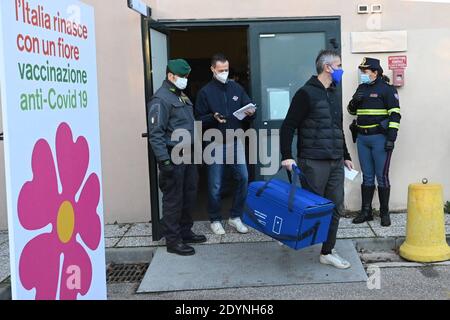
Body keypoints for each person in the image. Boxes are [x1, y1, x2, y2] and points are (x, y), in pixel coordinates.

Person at [280, 50, 354, 269]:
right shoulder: (306, 93)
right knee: (310, 207)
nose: (341, 69)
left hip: (335, 160)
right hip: (313, 161)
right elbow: (288, 126)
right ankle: (287, 235)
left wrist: (346, 156)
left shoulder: (333, 92)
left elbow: (337, 127)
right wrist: (286, 156)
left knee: (336, 207)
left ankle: (327, 251)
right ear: (327, 67)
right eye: (338, 65)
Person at [148, 59, 207, 256]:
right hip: (173, 156)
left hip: (189, 155)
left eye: (186, 77)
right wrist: (164, 161)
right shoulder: (161, 99)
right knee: (173, 199)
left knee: (189, 195)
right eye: (182, 77)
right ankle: (173, 240)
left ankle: (185, 231)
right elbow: (156, 134)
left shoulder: (181, 96)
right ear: (171, 76)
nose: (185, 80)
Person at [195, 53, 256, 235]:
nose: (224, 73)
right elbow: (198, 119)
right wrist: (212, 118)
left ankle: (235, 216)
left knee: (243, 178)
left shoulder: (236, 88)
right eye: (221, 70)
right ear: (213, 69)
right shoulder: (205, 92)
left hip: (235, 141)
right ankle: (215, 219)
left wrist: (251, 112)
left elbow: (249, 107)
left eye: (227, 70)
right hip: (214, 144)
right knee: (215, 184)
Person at [348, 57, 401, 227]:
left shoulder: (387, 89)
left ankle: (385, 213)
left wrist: (391, 138)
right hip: (362, 139)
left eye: (365, 71)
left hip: (380, 139)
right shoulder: (361, 88)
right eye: (362, 71)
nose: (363, 74)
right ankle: (366, 212)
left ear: (375, 72)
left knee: (382, 177)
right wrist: (355, 100)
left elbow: (395, 115)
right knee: (367, 176)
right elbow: (351, 110)